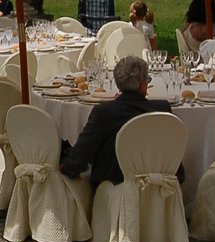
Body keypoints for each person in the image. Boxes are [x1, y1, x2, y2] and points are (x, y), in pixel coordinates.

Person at [60, 56, 175, 187]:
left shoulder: (103, 112)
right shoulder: (162, 109)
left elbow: (77, 162)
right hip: (158, 187)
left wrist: (64, 166)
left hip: (114, 188)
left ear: (118, 83)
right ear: (143, 84)